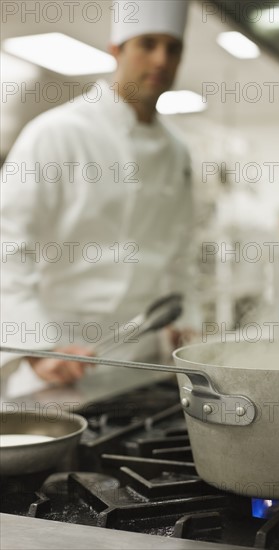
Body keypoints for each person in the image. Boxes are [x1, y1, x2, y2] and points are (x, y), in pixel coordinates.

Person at [0, 0, 196, 397]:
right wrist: (36, 346)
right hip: (62, 360)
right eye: (148, 43)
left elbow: (180, 250)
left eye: (173, 48)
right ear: (116, 50)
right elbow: (6, 243)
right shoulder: (57, 133)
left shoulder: (177, 151)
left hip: (142, 362)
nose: (161, 59)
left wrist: (184, 320)